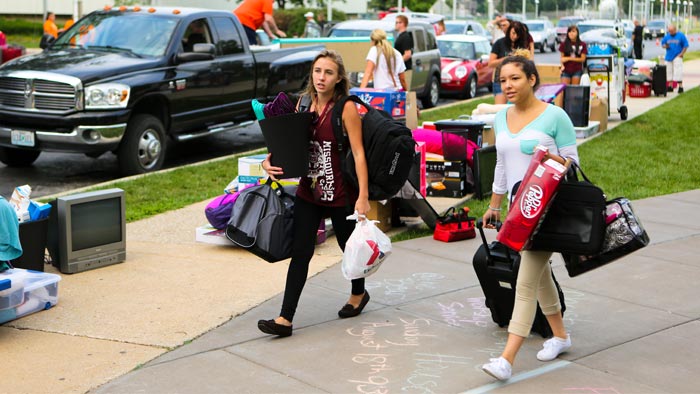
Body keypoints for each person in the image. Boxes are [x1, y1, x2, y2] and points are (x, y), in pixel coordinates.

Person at [257, 49, 371, 338]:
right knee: (301, 253)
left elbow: (359, 154)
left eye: (329, 72)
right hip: (309, 190)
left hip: (341, 193)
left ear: (339, 78)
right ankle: (285, 318)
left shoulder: (346, 107)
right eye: (318, 71)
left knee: (350, 250)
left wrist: (363, 197)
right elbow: (289, 142)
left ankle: (359, 294)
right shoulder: (303, 103)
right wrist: (268, 160)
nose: (322, 77)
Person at [480, 55, 578, 381]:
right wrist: (495, 205)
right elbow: (501, 165)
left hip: (548, 211)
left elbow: (572, 165)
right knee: (541, 278)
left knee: (525, 282)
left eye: (515, 79)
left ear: (532, 80)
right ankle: (561, 337)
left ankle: (506, 359)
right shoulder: (501, 118)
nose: (507, 86)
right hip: (518, 212)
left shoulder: (555, 117)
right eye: (503, 80)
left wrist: (548, 159)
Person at [489, 21, 533, 104]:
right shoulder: (499, 43)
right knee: (500, 107)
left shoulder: (522, 45)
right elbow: (491, 63)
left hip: (517, 80)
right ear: (509, 31)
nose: (515, 36)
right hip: (500, 80)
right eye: (513, 33)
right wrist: (507, 59)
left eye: (518, 34)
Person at [661, 24, 689, 93]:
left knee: (678, 71)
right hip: (669, 56)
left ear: (675, 30)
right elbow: (663, 44)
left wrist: (681, 54)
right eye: (669, 31)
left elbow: (685, 45)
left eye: (672, 31)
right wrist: (665, 46)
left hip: (677, 55)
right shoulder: (667, 36)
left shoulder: (681, 36)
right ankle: (670, 86)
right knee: (669, 71)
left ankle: (680, 86)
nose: (670, 32)